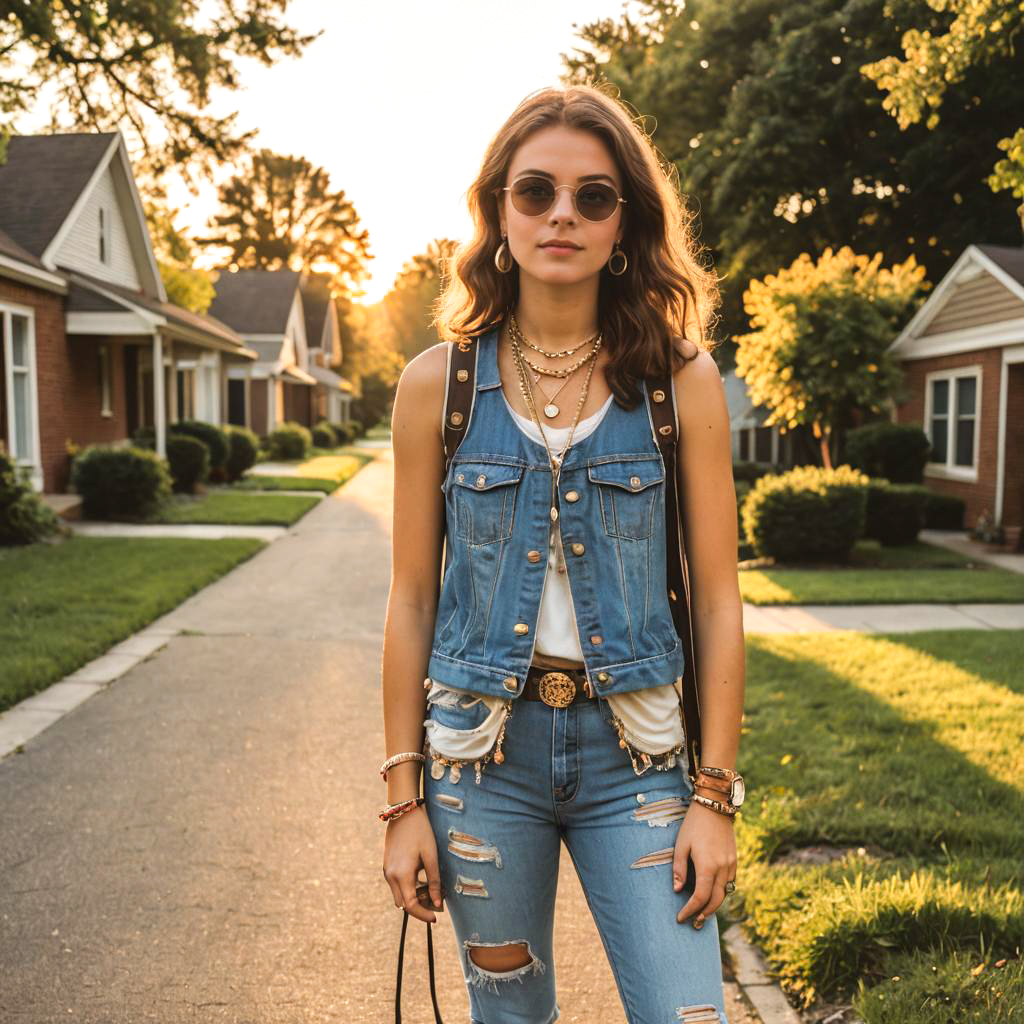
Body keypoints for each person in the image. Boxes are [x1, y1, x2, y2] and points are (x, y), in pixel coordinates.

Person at [380, 82, 745, 1024]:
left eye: (594, 196)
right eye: (536, 191)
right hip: (478, 763)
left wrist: (715, 795)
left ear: (625, 224)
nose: (562, 215)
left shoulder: (680, 385)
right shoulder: (437, 388)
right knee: (511, 1014)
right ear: (499, 210)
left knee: (686, 1013)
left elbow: (716, 602)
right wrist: (401, 799)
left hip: (640, 758)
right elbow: (413, 598)